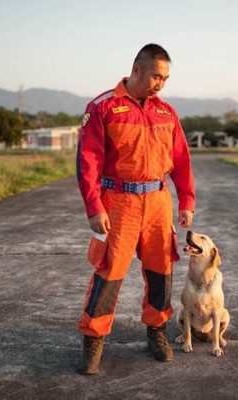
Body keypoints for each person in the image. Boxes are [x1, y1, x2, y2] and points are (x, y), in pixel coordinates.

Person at [75, 43, 195, 374]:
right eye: (156, 76)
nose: (161, 83)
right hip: (118, 202)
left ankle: (156, 331)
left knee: (161, 270)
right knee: (109, 271)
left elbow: (182, 159)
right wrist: (93, 205)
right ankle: (94, 337)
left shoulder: (167, 113)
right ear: (137, 70)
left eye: (166, 79)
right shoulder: (103, 107)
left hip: (157, 201)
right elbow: (88, 161)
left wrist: (186, 199)